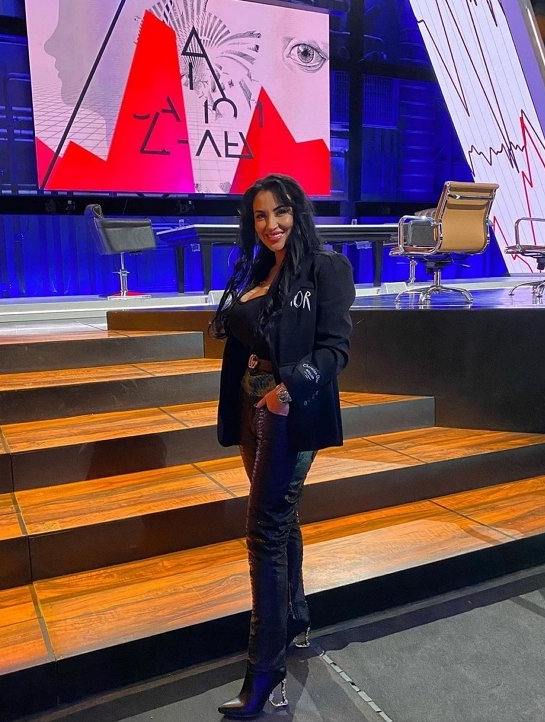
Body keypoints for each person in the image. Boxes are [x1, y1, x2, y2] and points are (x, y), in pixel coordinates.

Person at [210, 174, 356, 718]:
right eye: (260, 215)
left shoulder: (325, 268)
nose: (270, 224)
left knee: (264, 534)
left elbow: (336, 350)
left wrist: (286, 390)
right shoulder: (256, 269)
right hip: (250, 409)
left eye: (280, 212)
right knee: (281, 521)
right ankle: (293, 619)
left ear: (299, 212)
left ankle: (264, 670)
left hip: (289, 413)